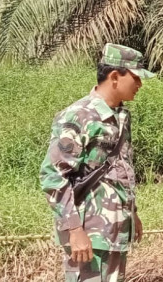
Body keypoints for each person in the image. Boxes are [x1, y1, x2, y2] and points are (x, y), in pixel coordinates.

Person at [40, 43, 156, 282]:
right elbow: (53, 175)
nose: (140, 85)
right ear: (115, 77)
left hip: (114, 229)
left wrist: (131, 213)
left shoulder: (121, 117)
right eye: (136, 78)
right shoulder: (78, 116)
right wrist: (74, 230)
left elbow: (120, 169)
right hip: (88, 234)